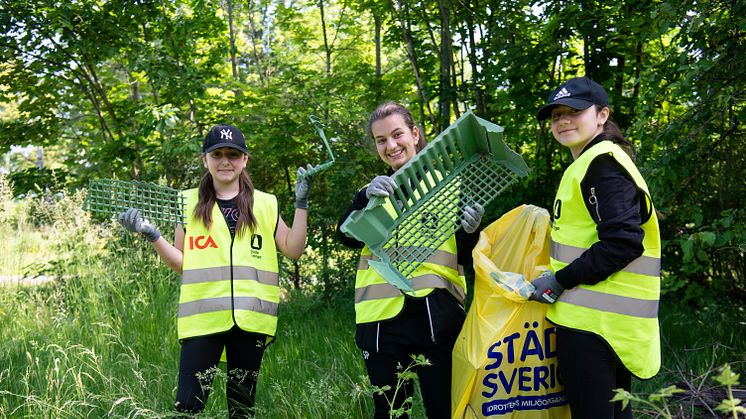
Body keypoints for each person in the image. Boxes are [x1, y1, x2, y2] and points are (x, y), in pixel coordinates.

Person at [118, 123, 315, 417]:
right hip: (203, 320)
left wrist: (302, 203)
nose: (225, 161)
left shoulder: (265, 203)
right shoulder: (186, 202)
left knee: (241, 409)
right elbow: (180, 262)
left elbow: (293, 249)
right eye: (217, 154)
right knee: (188, 406)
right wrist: (152, 234)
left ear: (244, 159)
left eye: (233, 154)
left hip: (251, 320)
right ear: (205, 159)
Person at [335, 101, 484, 418]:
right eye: (381, 140)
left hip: (437, 318)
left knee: (444, 410)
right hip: (381, 321)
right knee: (389, 413)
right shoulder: (372, 193)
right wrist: (363, 199)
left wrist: (472, 230)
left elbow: (468, 257)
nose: (390, 145)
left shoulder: (450, 185)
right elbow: (345, 235)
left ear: (415, 134)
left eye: (397, 134)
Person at [530, 77, 661, 418]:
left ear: (602, 115)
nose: (563, 121)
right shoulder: (589, 163)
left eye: (574, 111)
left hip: (594, 328)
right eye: (556, 115)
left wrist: (560, 281)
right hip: (603, 323)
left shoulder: (601, 163)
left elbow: (623, 242)